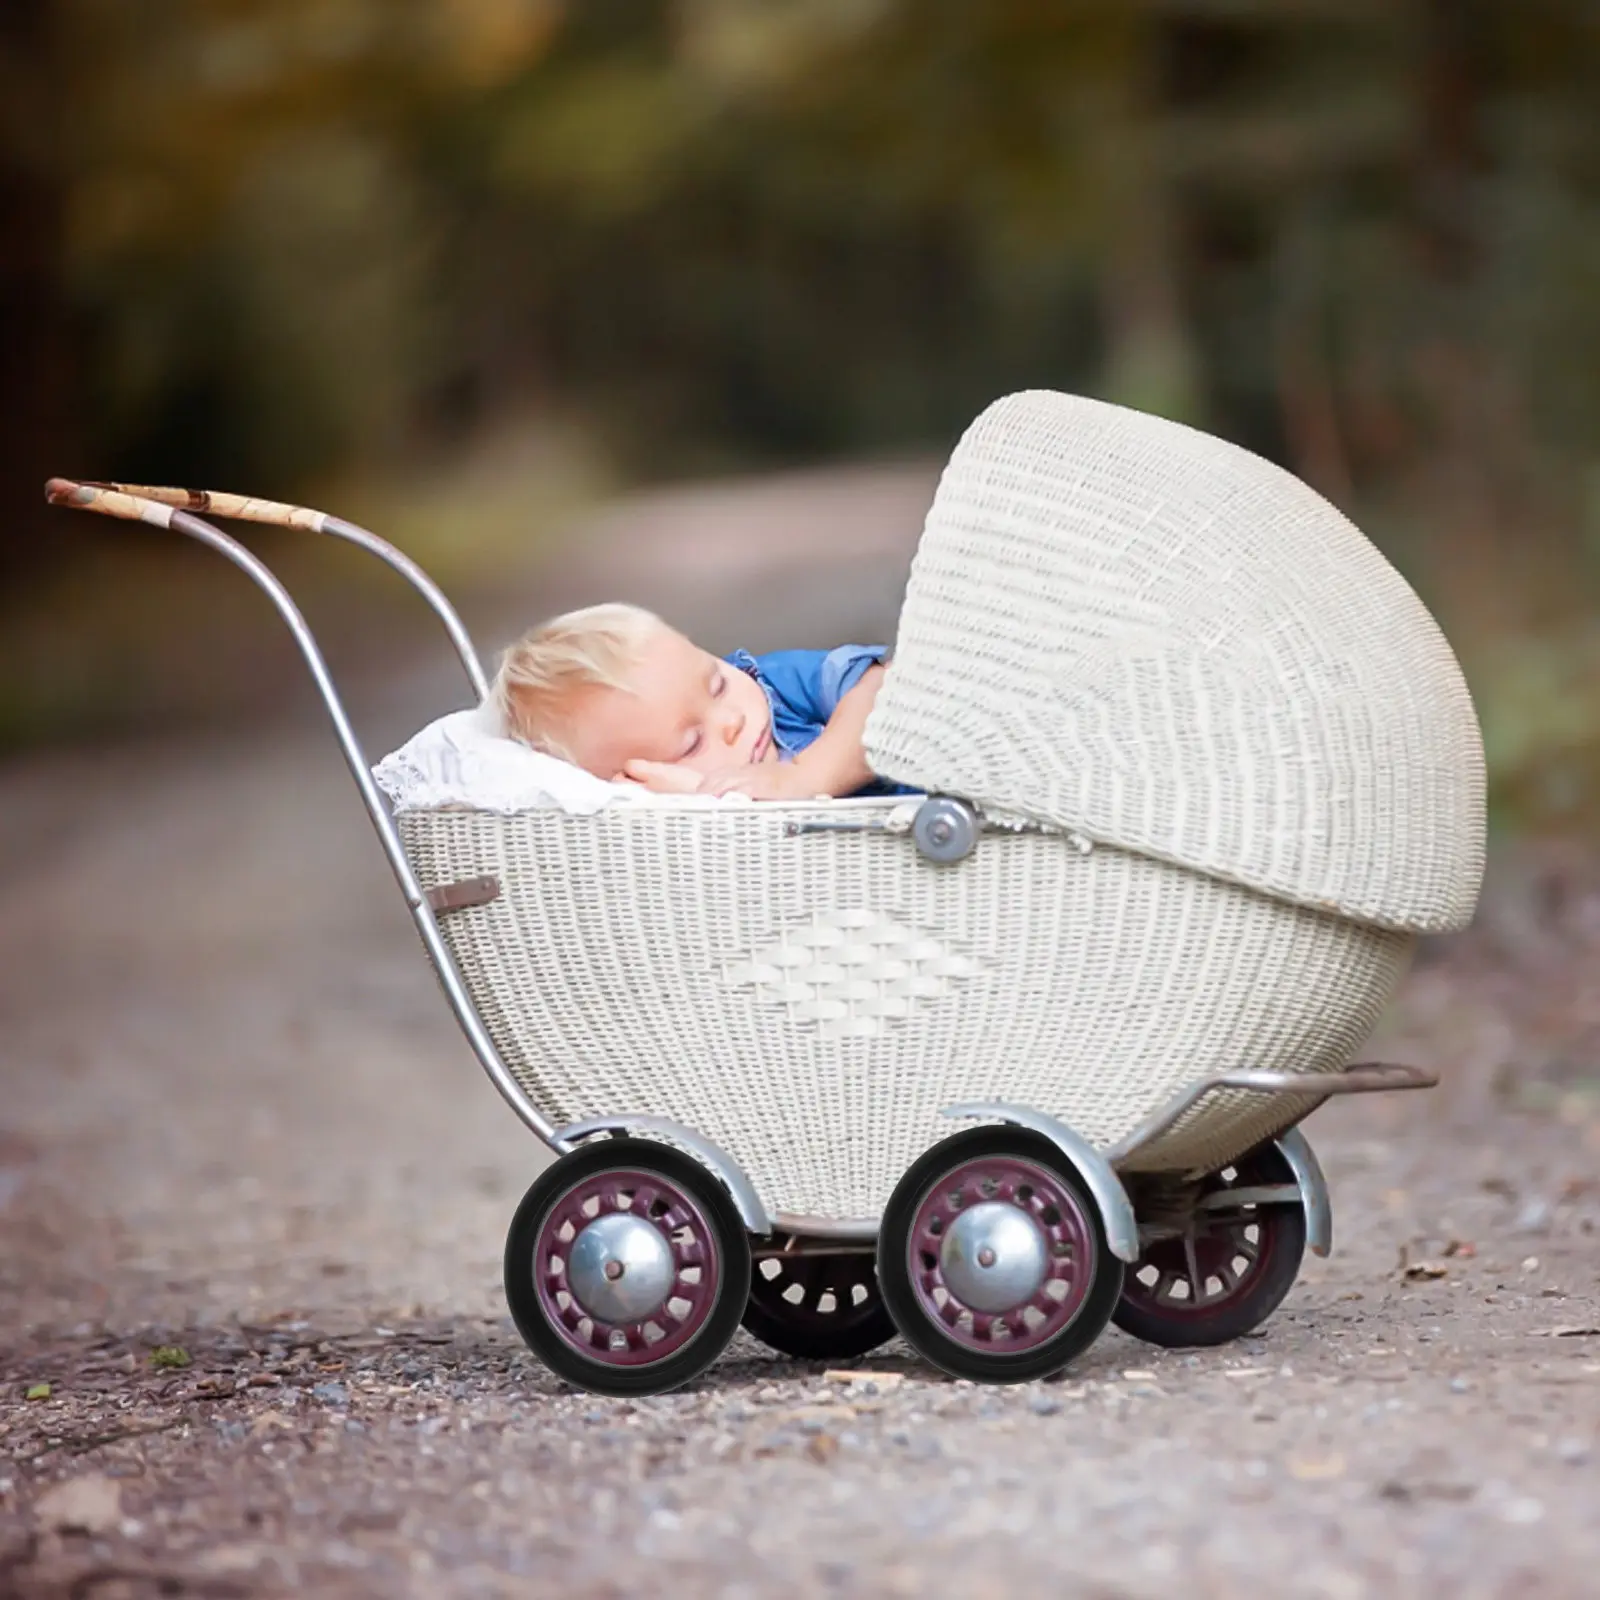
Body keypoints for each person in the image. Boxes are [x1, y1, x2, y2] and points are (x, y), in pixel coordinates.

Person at [490, 602, 909, 799]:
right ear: (636, 781)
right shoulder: (673, 813)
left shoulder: (773, 686)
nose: (731, 720)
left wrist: (806, 777)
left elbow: (885, 693)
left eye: (717, 684)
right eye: (691, 742)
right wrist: (705, 802)